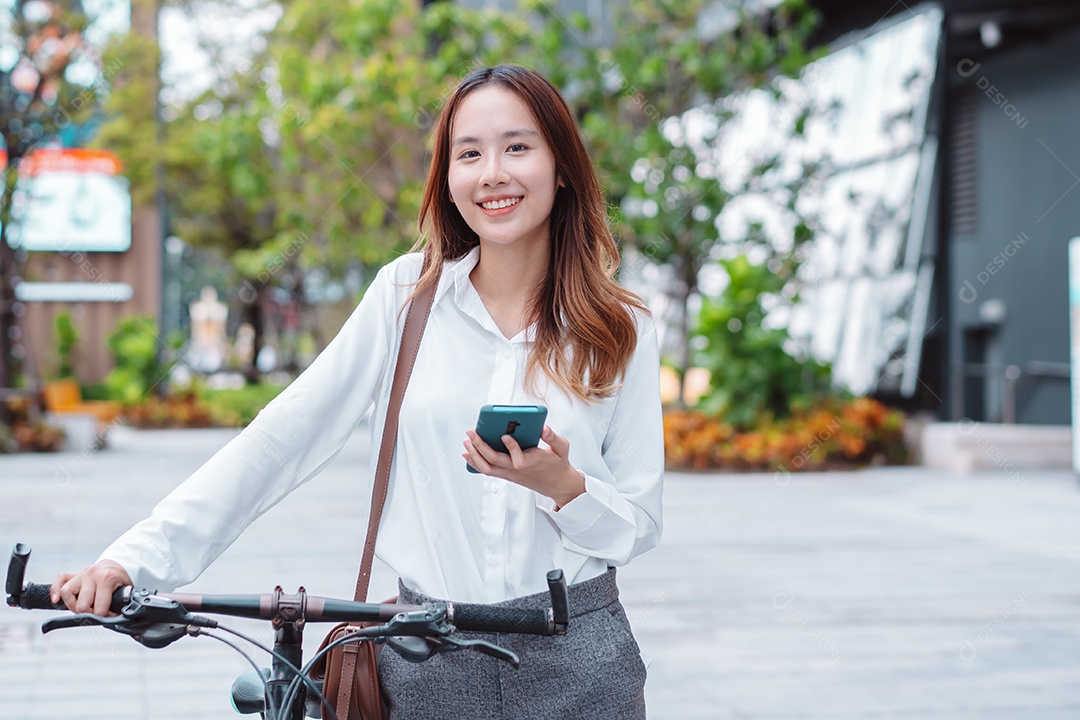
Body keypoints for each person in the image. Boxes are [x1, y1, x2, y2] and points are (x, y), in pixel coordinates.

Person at [52, 64, 664, 719]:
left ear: (562, 166)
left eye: (517, 146)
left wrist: (562, 487)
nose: (492, 172)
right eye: (469, 153)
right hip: (428, 660)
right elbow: (280, 439)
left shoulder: (621, 327)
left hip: (579, 661)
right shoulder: (405, 299)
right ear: (448, 180)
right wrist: (132, 561)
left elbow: (639, 523)